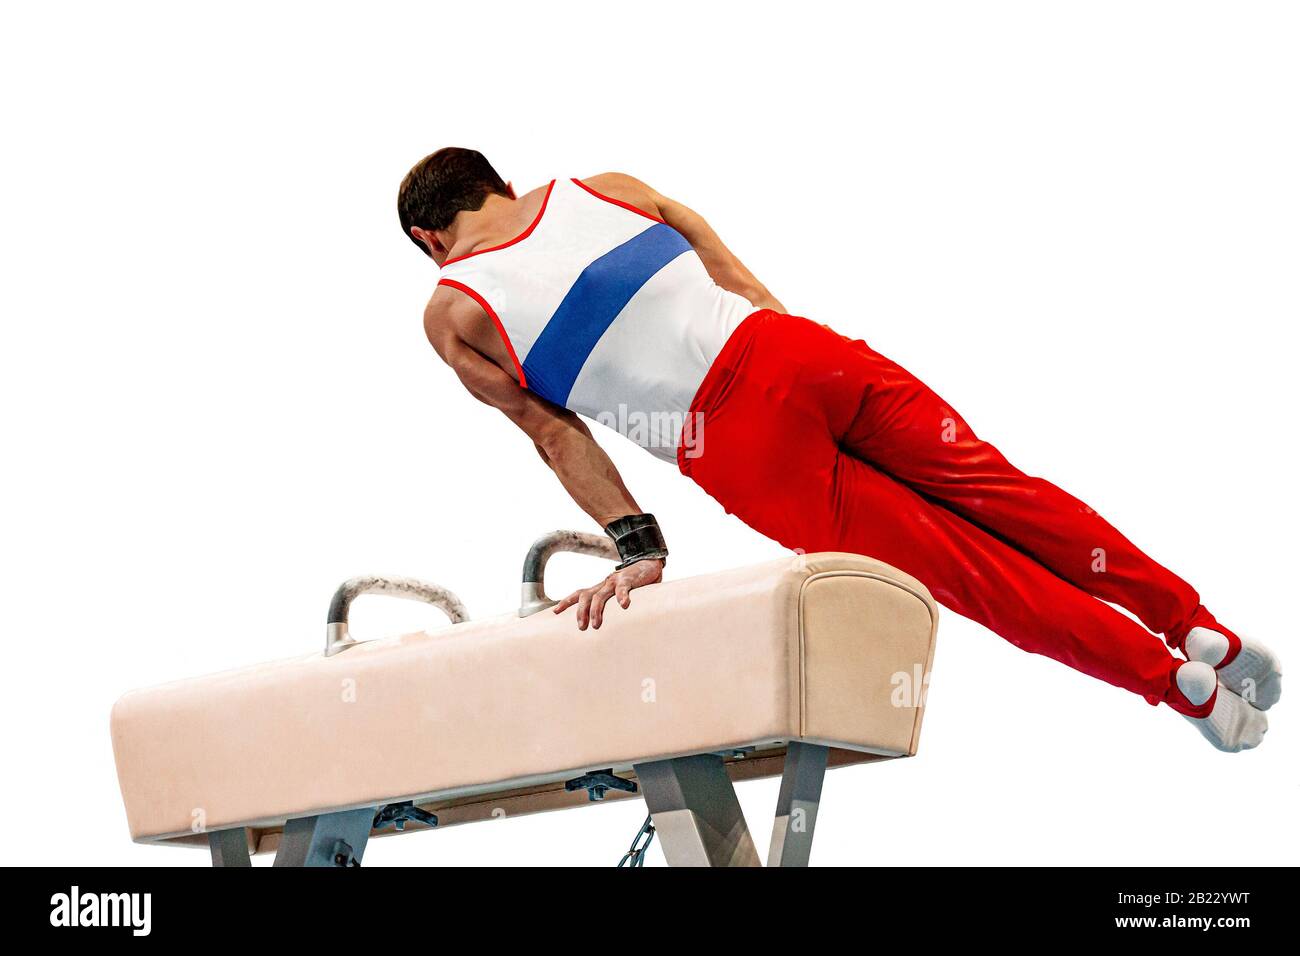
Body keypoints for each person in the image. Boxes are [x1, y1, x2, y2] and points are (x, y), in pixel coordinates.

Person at [398, 147, 1280, 752]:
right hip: (800, 354)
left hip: (733, 442)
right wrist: (781, 340)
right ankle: (1197, 628)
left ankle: (1174, 684)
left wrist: (640, 547)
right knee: (1003, 490)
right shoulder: (608, 186)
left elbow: (554, 433)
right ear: (497, 182)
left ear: (430, 240)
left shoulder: (456, 308)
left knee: (967, 571)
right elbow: (712, 250)